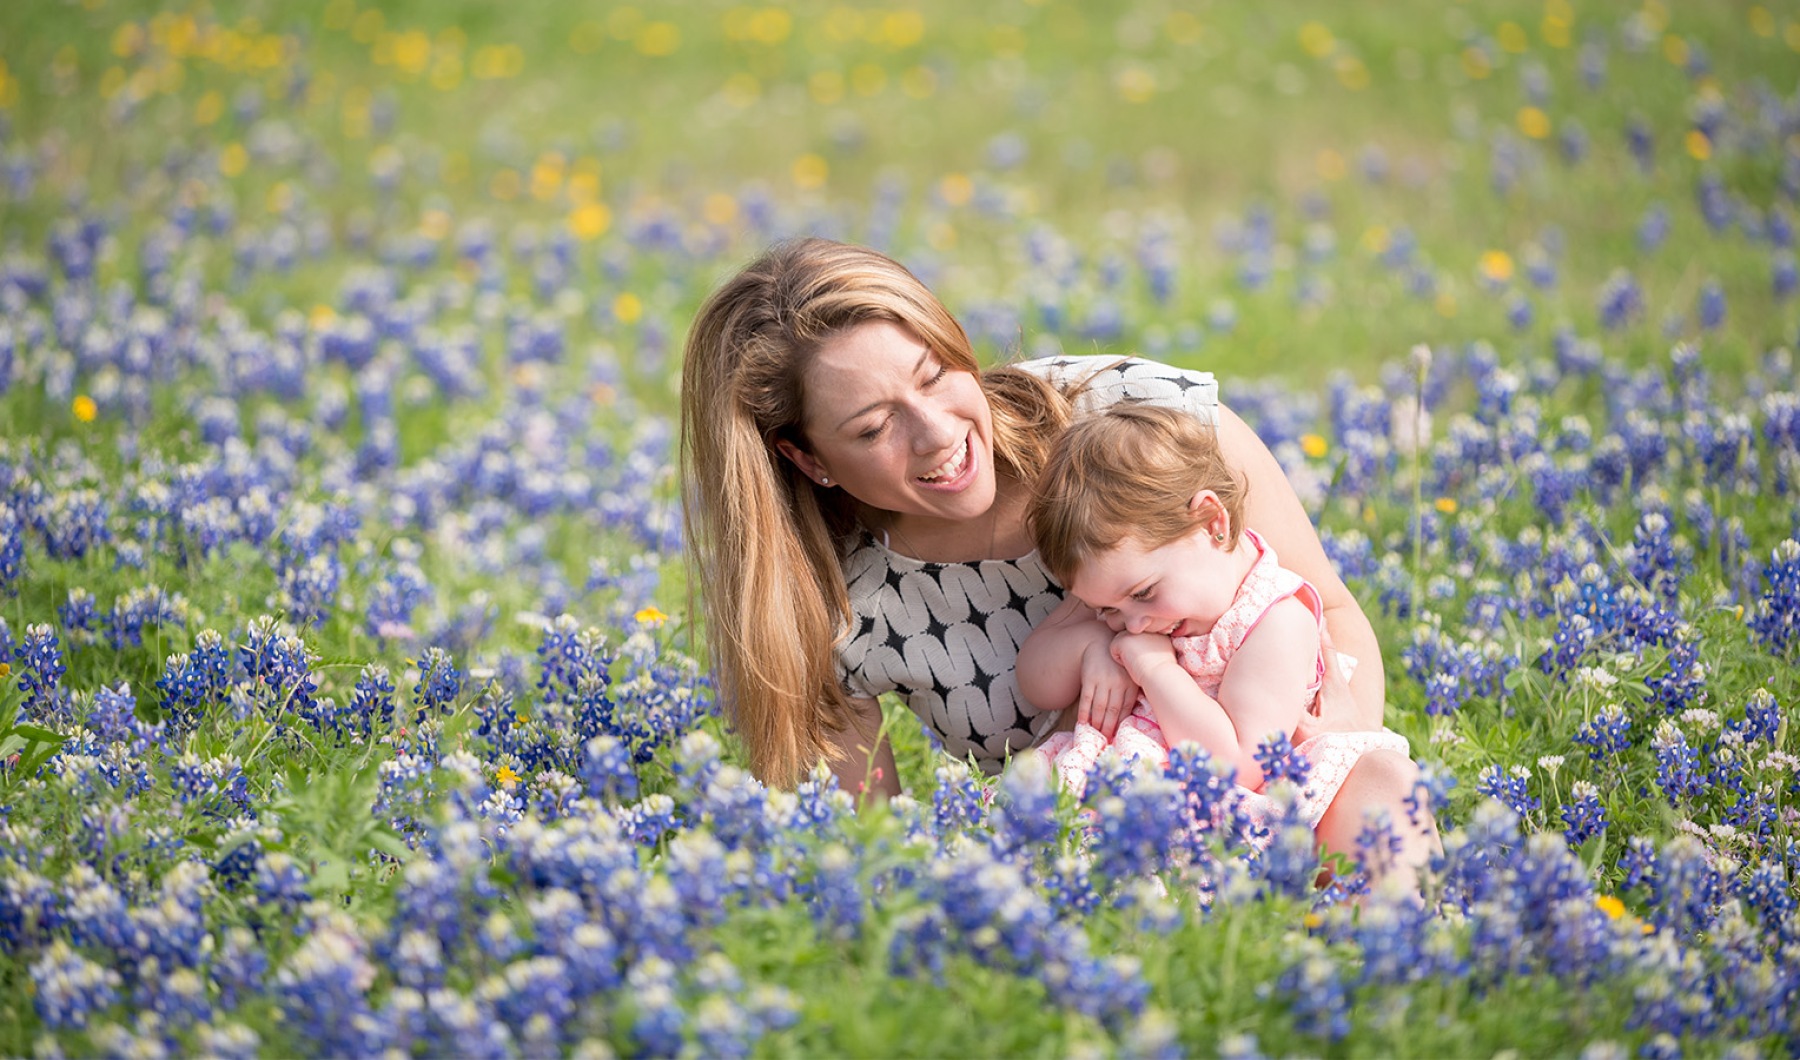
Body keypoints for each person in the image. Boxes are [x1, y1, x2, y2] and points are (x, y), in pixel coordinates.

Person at [679, 237, 1396, 809]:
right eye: (873, 427)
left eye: (934, 375)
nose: (936, 434)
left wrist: (1331, 766)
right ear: (808, 459)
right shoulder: (829, 600)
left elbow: (1325, 605)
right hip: (1090, 853)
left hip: (1290, 793)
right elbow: (861, 846)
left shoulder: (1137, 421)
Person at [1023, 403, 1435, 884]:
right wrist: (1093, 644)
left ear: (1212, 522)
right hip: (1141, 799)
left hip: (1246, 818)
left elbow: (1237, 765)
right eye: (1107, 610)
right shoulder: (1142, 599)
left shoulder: (1276, 619)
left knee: (1386, 799)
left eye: (1142, 595)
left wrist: (1157, 672)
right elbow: (1036, 680)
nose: (1131, 626)